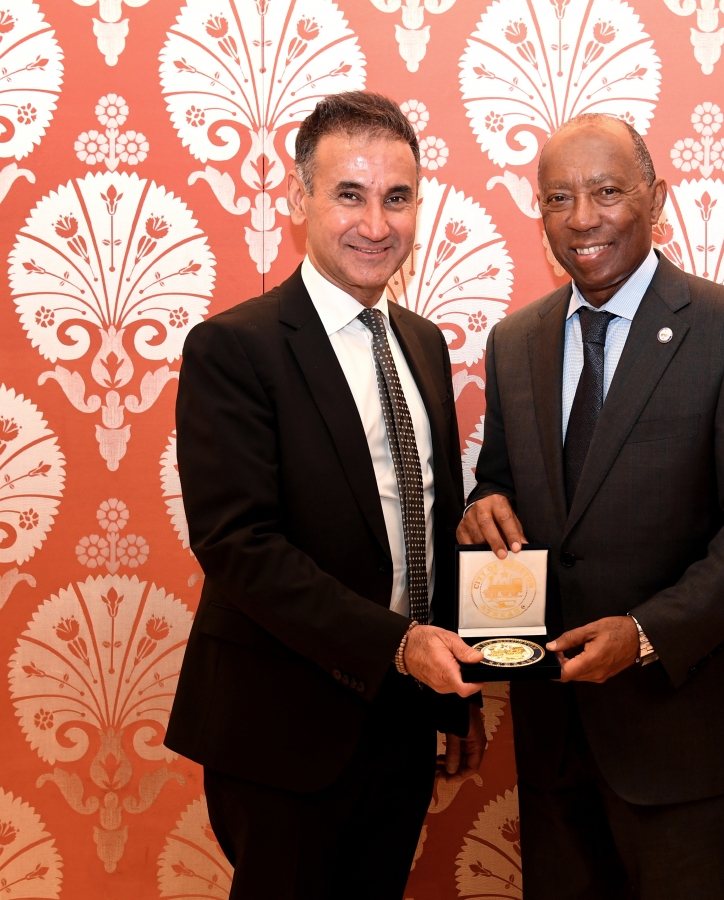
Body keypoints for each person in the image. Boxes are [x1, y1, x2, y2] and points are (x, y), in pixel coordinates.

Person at [458, 113, 724, 899]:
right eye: (558, 198)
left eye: (607, 191)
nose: (582, 218)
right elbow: (501, 478)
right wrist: (484, 503)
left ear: (657, 199)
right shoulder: (516, 340)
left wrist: (649, 634)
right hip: (554, 735)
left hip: (679, 734)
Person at [165, 91, 486, 899]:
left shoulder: (422, 341)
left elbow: (428, 527)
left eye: (397, 197)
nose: (376, 224)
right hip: (283, 729)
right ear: (299, 198)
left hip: (404, 720)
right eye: (350, 194)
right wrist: (396, 644)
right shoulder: (235, 348)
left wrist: (450, 702)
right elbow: (239, 544)